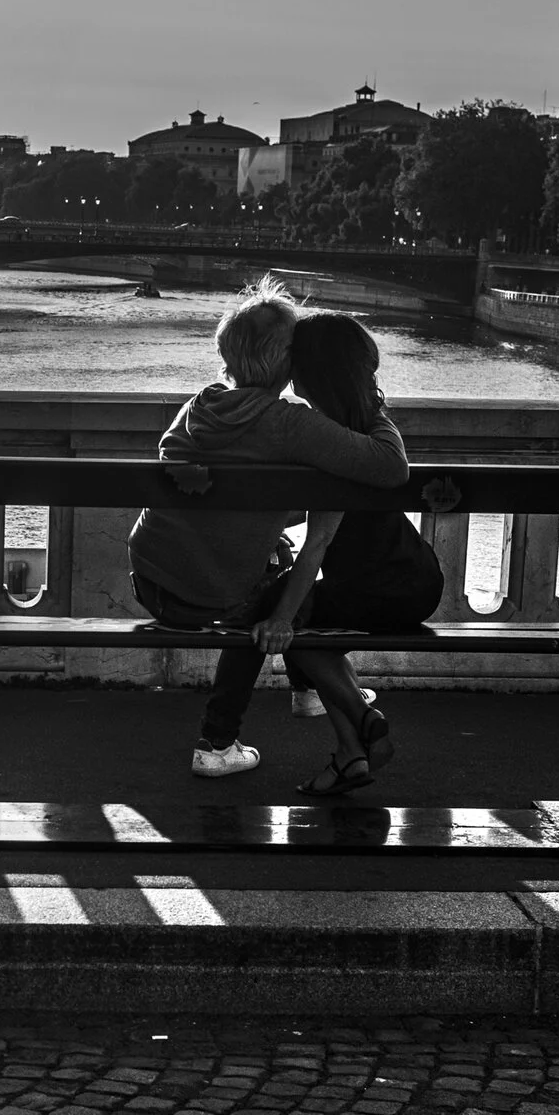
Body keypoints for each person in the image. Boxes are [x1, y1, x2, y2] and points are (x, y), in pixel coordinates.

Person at [127, 278, 407, 787]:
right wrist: (371, 400)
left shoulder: (199, 405)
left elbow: (186, 474)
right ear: (285, 362)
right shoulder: (289, 424)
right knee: (271, 604)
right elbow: (389, 467)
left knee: (268, 576)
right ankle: (226, 737)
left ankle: (302, 693)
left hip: (151, 583)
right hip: (211, 599)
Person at [277, 311, 446, 792]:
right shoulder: (373, 427)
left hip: (373, 588)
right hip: (417, 578)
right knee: (313, 630)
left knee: (293, 622)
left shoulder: (323, 439)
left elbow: (316, 539)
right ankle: (350, 757)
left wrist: (280, 619)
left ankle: (362, 718)